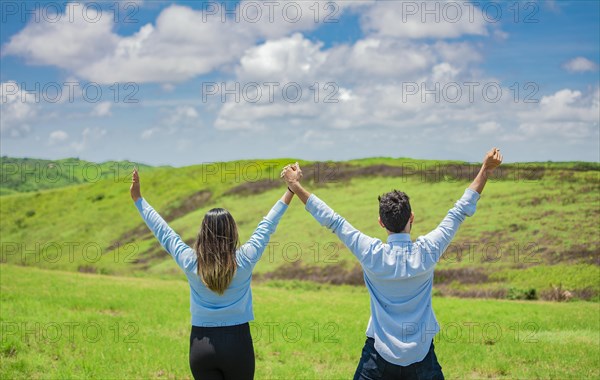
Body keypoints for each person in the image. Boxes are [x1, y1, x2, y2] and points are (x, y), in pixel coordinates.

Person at [281, 148, 503, 380]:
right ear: (412, 218)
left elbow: (334, 220)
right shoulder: (428, 250)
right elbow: (459, 211)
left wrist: (296, 187)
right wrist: (485, 170)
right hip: (422, 356)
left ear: (380, 222)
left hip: (378, 357)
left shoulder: (371, 252)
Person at [129, 168, 294, 380]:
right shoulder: (244, 259)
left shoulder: (190, 262)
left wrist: (138, 199)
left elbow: (164, 232)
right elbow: (267, 225)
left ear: (202, 233)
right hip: (238, 344)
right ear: (232, 231)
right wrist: (291, 190)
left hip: (201, 345)